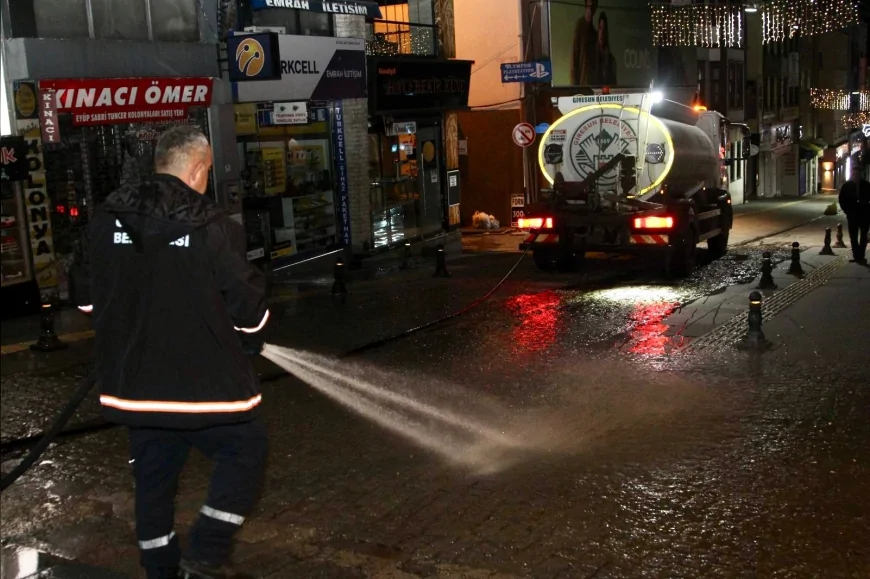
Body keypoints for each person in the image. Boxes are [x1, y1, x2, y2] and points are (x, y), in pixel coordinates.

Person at [71, 125, 270, 579]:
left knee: (154, 480)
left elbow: (85, 301)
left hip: (136, 388)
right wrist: (250, 335)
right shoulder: (212, 224)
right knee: (246, 450)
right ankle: (204, 554)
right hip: (205, 387)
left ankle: (161, 570)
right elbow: (249, 312)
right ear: (198, 168)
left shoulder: (106, 218)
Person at [837, 166, 870, 265]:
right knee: (853, 236)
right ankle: (856, 256)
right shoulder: (847, 186)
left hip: (865, 215)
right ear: (852, 174)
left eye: (857, 174)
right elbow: (842, 200)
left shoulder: (867, 185)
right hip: (852, 215)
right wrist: (847, 211)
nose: (855, 176)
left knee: (863, 236)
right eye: (854, 174)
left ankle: (861, 255)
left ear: (860, 175)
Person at [570, 0, 598, 86]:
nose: (590, 9)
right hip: (582, 85)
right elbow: (574, 56)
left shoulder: (594, 33)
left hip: (592, 84)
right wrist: (574, 87)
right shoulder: (580, 26)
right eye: (589, 6)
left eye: (593, 6)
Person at [594, 12, 617, 86]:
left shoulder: (611, 60)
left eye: (604, 29)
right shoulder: (591, 56)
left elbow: (614, 84)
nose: (602, 32)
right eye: (600, 28)